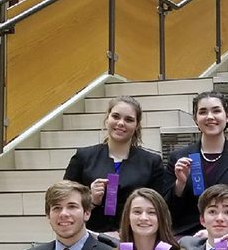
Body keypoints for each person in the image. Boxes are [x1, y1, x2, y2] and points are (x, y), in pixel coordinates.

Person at [63, 95, 166, 237]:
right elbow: (64, 202)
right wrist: (90, 200)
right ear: (107, 119)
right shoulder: (83, 157)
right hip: (89, 237)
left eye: (128, 119)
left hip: (134, 239)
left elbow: (158, 207)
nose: (121, 123)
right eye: (116, 117)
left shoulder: (152, 162)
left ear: (136, 126)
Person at [166, 91, 228, 236]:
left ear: (227, 116)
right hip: (187, 238)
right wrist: (180, 184)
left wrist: (217, 233)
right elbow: (167, 211)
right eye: (203, 112)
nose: (210, 117)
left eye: (216, 111)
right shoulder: (178, 159)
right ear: (195, 119)